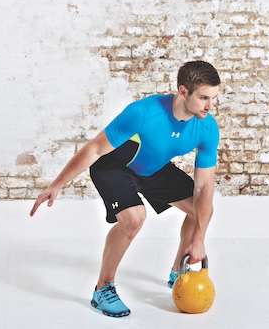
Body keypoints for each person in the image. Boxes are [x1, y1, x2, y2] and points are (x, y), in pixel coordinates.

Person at [29, 60, 221, 318]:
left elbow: (204, 186)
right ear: (183, 92)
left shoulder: (207, 127)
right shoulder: (144, 113)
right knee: (133, 218)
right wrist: (57, 184)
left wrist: (198, 241)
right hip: (115, 167)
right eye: (204, 98)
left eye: (214, 98)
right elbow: (96, 148)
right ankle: (103, 288)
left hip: (153, 169)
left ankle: (179, 270)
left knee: (202, 211)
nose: (210, 106)